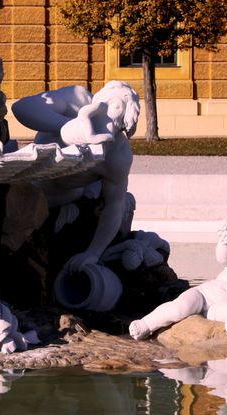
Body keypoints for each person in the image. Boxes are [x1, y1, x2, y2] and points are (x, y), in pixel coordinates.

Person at [11, 82, 139, 273]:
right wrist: (68, 126)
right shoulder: (76, 98)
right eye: (104, 106)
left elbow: (115, 205)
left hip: (60, 199)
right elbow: (21, 107)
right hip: (21, 181)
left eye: (113, 122)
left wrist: (93, 253)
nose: (103, 122)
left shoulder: (117, 155)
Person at [129, 188, 227, 340]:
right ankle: (146, 324)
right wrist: (225, 240)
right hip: (204, 294)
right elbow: (224, 258)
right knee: (179, 309)